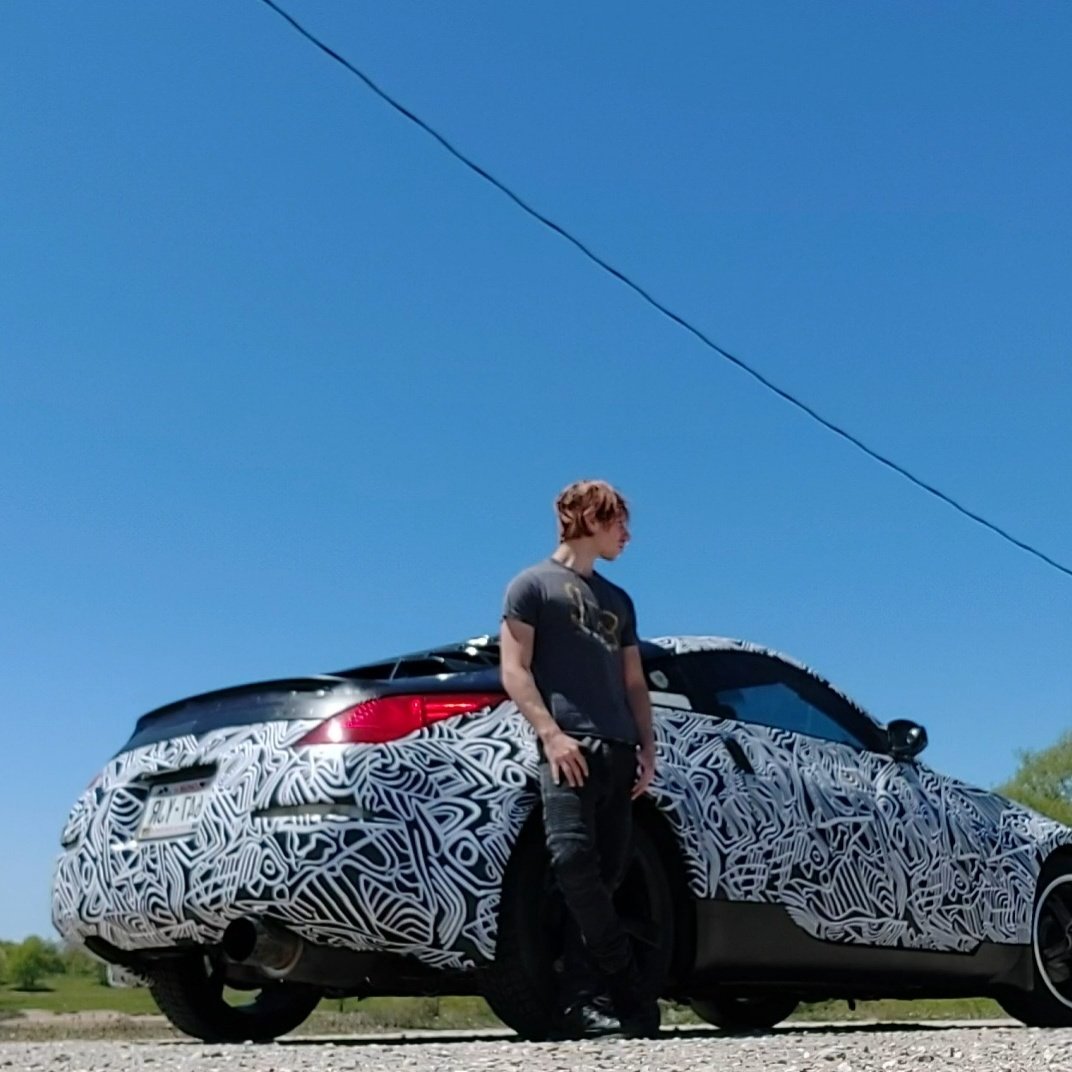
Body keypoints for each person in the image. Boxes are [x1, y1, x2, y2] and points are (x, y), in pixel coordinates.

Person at [499, 479, 660, 1040]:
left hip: (619, 753)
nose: (627, 536)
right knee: (570, 863)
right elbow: (514, 669)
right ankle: (627, 983)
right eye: (619, 523)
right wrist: (551, 735)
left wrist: (647, 746)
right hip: (568, 750)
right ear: (591, 518)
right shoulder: (531, 585)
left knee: (606, 880)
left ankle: (583, 1002)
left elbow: (634, 682)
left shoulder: (619, 601)